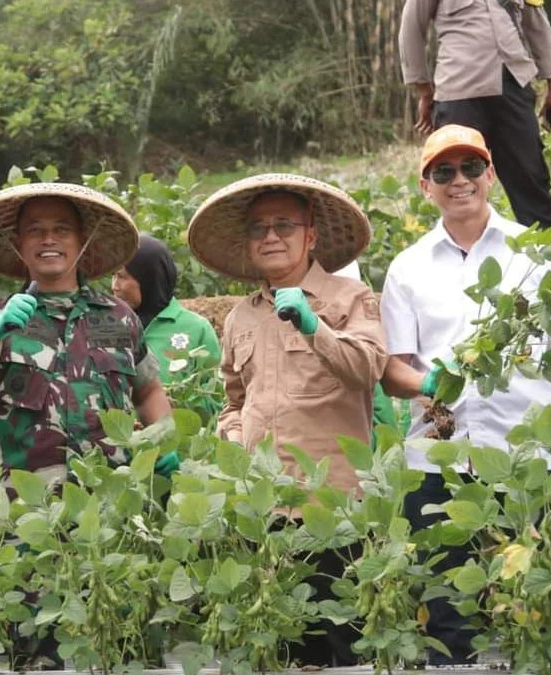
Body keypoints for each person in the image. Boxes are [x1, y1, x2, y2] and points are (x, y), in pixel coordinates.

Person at [379, 125, 551, 664]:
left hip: (534, 456)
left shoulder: (538, 255)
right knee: (448, 616)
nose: (460, 181)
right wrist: (429, 384)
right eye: (445, 172)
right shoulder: (406, 267)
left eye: (472, 168)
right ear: (425, 184)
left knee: (548, 604)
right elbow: (392, 370)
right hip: (440, 459)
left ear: (491, 176)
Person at [188, 173, 388, 667]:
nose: (271, 236)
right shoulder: (239, 317)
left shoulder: (350, 299)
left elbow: (368, 369)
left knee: (346, 650)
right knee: (285, 650)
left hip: (335, 511)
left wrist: (312, 323)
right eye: (259, 229)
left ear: (311, 236)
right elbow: (233, 399)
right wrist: (232, 436)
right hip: (266, 512)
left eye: (284, 225)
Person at [0, 183, 172, 489]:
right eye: (35, 231)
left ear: (82, 240)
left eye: (62, 229)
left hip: (107, 505)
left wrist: (165, 441)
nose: (49, 240)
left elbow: (148, 391)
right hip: (23, 510)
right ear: (18, 242)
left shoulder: (120, 317)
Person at [399, 0, 551, 229]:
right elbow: (411, 26)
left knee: (531, 179)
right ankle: (463, 255)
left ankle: (547, 256)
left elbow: (537, 24)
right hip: (459, 91)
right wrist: (424, 90)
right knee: (457, 181)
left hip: (513, 87)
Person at [111, 233, 221, 379]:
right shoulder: (107, 326)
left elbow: (214, 394)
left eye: (122, 276)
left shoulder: (197, 329)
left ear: (149, 280)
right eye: (113, 275)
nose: (114, 286)